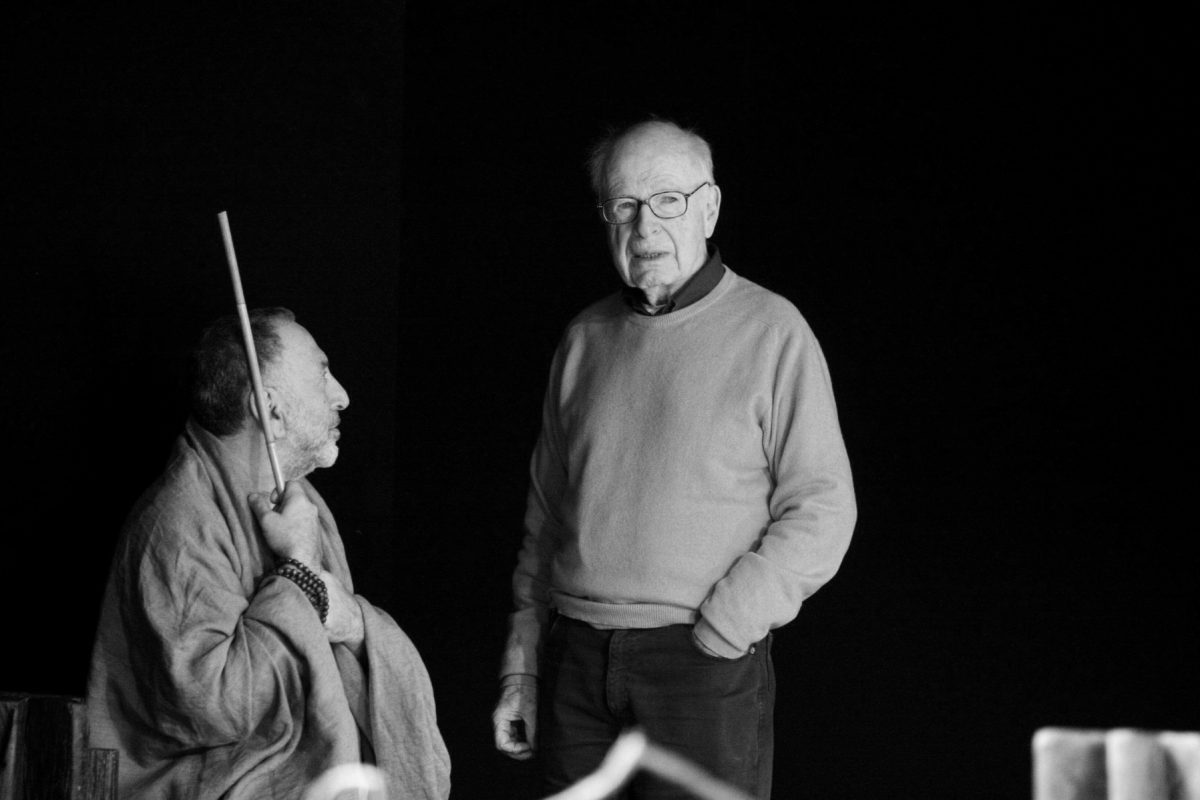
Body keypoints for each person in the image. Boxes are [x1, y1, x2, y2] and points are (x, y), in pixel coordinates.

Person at [491, 119, 858, 798]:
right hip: (574, 665)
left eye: (668, 200)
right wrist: (524, 666)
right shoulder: (584, 338)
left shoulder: (773, 331)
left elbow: (823, 506)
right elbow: (544, 520)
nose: (645, 227)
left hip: (699, 665)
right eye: (624, 205)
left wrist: (726, 625)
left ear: (709, 208)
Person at [86, 307, 450, 799]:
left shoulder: (299, 503)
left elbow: (334, 632)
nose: (342, 395)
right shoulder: (178, 522)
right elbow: (214, 707)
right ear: (269, 409)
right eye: (322, 374)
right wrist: (298, 572)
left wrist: (355, 624)